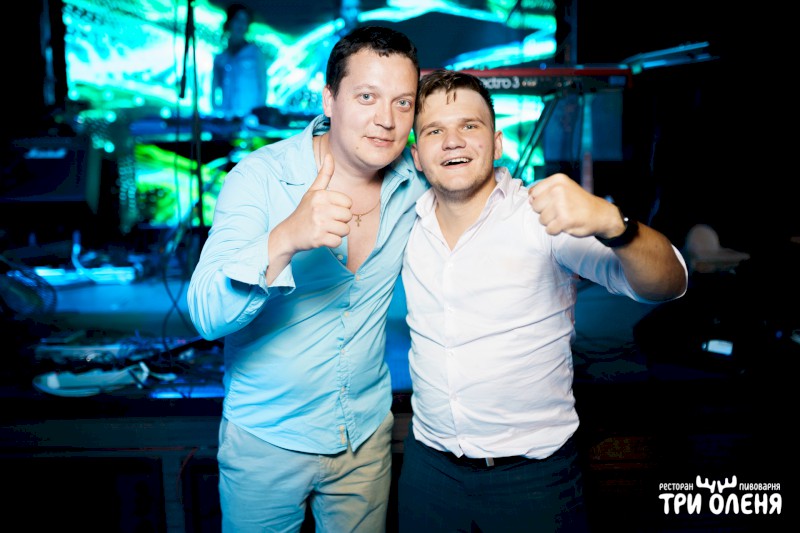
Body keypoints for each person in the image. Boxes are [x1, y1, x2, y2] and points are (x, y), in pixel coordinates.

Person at [397, 69, 688, 532]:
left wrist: (613, 224)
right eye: (435, 131)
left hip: (533, 479)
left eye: (469, 125)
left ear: (497, 144)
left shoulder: (540, 217)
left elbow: (668, 282)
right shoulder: (406, 223)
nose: (452, 141)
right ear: (417, 155)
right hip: (428, 471)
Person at [187, 26, 426, 532]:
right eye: (367, 97)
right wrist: (286, 237)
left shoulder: (415, 179)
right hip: (267, 441)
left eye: (403, 103)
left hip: (364, 438)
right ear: (329, 99)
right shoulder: (259, 177)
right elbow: (205, 314)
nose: (386, 120)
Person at [211, 3, 267, 119]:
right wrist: (216, 110)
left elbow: (263, 84)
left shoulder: (255, 53)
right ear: (229, 22)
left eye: (245, 21)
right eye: (237, 19)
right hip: (228, 116)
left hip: (250, 116)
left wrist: (260, 114)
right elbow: (214, 86)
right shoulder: (221, 58)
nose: (241, 24)